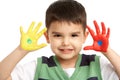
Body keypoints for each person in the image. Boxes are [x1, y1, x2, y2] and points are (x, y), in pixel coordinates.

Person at [0, 0, 120, 80]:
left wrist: (107, 51)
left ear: (84, 36)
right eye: (58, 35)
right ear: (47, 37)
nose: (66, 42)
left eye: (74, 35)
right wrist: (21, 50)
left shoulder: (96, 65)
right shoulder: (39, 67)